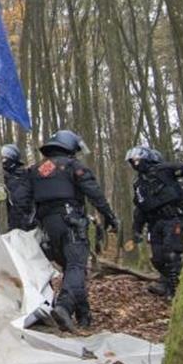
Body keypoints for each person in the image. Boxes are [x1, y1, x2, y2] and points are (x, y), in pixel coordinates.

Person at [27, 130, 118, 332]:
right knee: (76, 266)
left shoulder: (35, 170)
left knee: (71, 269)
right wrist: (110, 217)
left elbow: (25, 201)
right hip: (71, 222)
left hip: (46, 228)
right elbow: (95, 194)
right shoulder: (73, 167)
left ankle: (84, 315)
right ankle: (64, 307)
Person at [127, 146, 183, 298]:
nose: (135, 163)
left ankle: (176, 292)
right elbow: (140, 208)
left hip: (173, 219)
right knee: (157, 258)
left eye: (137, 160)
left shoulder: (165, 170)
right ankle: (166, 283)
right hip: (154, 223)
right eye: (132, 161)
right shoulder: (138, 183)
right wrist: (137, 230)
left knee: (171, 254)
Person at [1, 143, 35, 231]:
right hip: (8, 222)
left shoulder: (27, 175)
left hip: (26, 222)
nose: (2, 161)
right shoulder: (1, 178)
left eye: (4, 158)